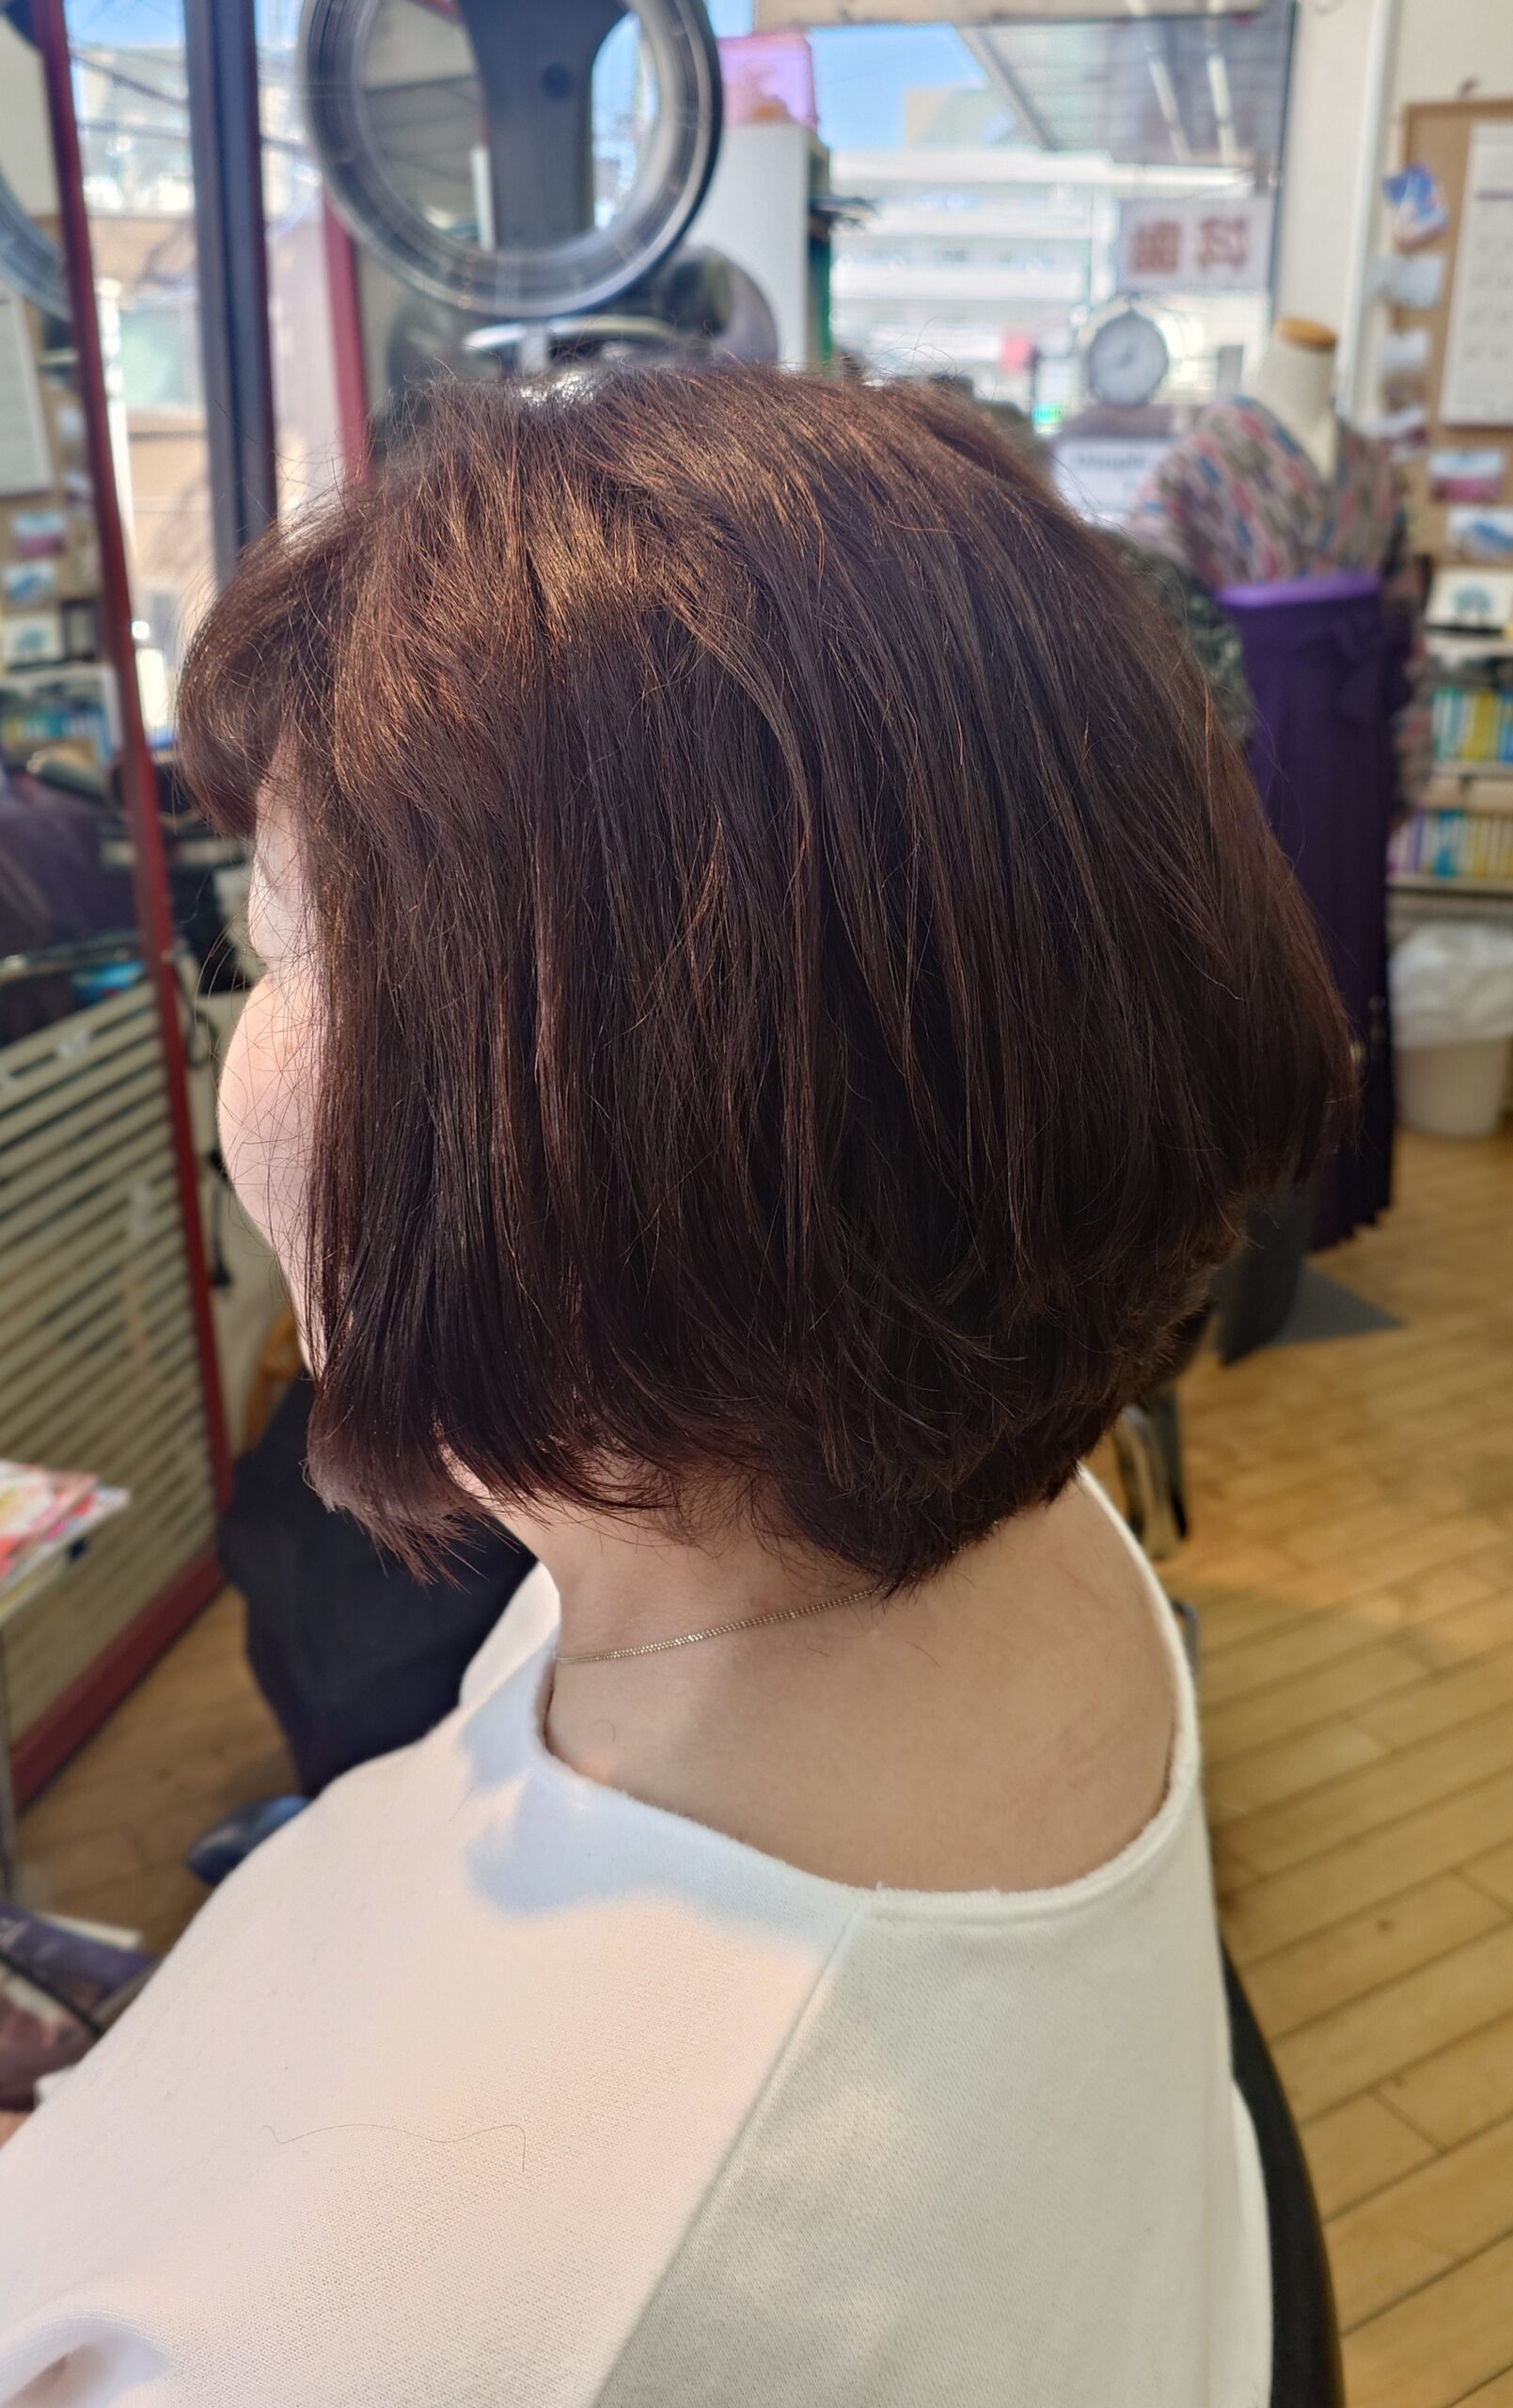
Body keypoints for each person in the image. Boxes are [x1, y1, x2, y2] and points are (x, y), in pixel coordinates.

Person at [0, 369, 1348, 2405]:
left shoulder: (439, 2323)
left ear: (596, 1128)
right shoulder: (983, 1526)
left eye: (272, 953)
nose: (233, 1053)